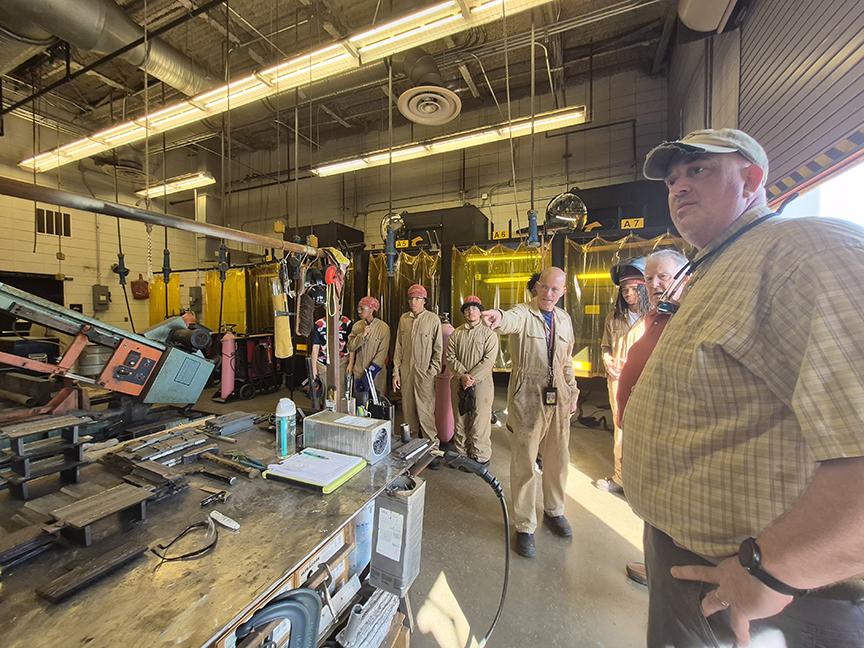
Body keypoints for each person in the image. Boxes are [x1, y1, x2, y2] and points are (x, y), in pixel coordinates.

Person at [625, 128, 864, 647]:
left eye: (699, 170)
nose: (679, 187)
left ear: (753, 179)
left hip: (768, 596)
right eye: (671, 180)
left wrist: (777, 569)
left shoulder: (804, 253)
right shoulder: (720, 267)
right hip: (700, 569)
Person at [482, 267, 580, 558]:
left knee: (558, 459)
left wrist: (572, 392)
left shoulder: (564, 319)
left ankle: (555, 510)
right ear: (536, 287)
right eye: (544, 288)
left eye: (555, 290)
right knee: (524, 462)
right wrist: (497, 316)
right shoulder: (524, 313)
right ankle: (524, 525)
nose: (548, 294)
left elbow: (567, 362)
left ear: (562, 293)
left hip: (559, 398)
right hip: (528, 396)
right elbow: (508, 319)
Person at [612, 248, 689, 588]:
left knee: (672, 508)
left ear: (685, 276)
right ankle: (657, 564)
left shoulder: (688, 316)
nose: (654, 284)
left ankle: (668, 571)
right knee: (656, 511)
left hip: (671, 435)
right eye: (649, 278)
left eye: (663, 277)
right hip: (645, 431)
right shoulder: (659, 315)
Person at [595, 257, 649, 493]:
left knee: (646, 430)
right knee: (621, 428)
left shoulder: (655, 317)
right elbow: (605, 346)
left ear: (644, 288)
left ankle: (644, 483)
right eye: (624, 290)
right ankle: (620, 479)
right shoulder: (614, 317)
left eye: (634, 289)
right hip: (618, 382)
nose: (628, 294)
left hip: (647, 382)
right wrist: (607, 361)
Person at [446, 296, 500, 465]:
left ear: (480, 312)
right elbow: (450, 356)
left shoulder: (489, 334)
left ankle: (479, 456)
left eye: (475, 308)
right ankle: (461, 453)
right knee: (460, 416)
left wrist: (471, 378)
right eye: (467, 309)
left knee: (479, 419)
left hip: (481, 383)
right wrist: (462, 375)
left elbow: (489, 360)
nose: (471, 311)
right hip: (458, 381)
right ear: (464, 313)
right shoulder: (456, 333)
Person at [393, 284, 443, 443]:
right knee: (408, 411)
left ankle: (432, 448)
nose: (413, 302)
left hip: (424, 373)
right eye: (411, 299)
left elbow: (438, 349)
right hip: (406, 372)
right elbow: (398, 347)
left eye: (417, 299)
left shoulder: (433, 319)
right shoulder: (404, 319)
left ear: (424, 301)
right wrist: (396, 372)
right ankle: (412, 446)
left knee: (426, 411)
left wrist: (431, 372)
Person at [347, 296, 390, 407]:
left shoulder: (383, 328)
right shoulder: (357, 326)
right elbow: (351, 347)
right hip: (359, 371)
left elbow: (382, 353)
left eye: (362, 308)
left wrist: (371, 372)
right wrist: (362, 335)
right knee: (360, 405)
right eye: (358, 308)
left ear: (371, 310)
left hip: (376, 374)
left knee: (377, 404)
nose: (359, 311)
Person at [310, 313, 352, 400]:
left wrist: (351, 363)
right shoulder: (319, 324)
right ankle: (327, 411)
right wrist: (313, 368)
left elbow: (352, 345)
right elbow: (315, 346)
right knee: (326, 390)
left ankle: (340, 412)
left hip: (341, 360)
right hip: (323, 361)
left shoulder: (347, 323)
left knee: (340, 390)